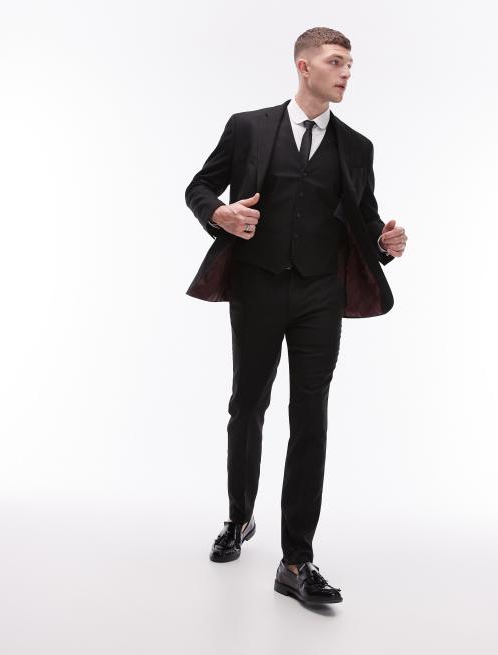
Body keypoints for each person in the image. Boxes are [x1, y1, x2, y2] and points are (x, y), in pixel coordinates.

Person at [184, 26, 408, 606]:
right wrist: (219, 214)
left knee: (311, 418)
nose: (347, 72)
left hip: (319, 297)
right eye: (336, 61)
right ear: (304, 66)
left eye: (350, 63)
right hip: (257, 287)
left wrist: (386, 244)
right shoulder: (248, 127)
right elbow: (199, 187)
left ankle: (296, 561)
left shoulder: (356, 147)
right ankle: (239, 518)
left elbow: (364, 223)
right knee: (247, 405)